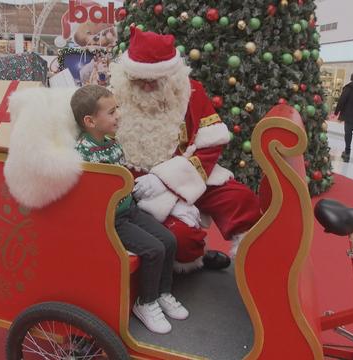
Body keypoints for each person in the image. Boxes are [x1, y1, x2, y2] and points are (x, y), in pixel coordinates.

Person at [110, 28, 262, 272]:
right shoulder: (113, 97)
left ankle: (256, 259)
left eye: (155, 81)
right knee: (182, 238)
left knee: (240, 199)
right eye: (140, 81)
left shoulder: (191, 92)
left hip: (188, 170)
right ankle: (197, 255)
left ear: (170, 77)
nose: (147, 88)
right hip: (142, 185)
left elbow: (211, 145)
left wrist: (169, 181)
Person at [71, 85, 189, 334]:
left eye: (117, 110)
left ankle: (161, 292)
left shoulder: (112, 144)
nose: (118, 116)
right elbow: (93, 197)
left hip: (129, 209)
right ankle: (144, 302)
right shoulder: (82, 154)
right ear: (90, 121)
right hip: (112, 220)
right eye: (112, 112)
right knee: (154, 249)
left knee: (169, 240)